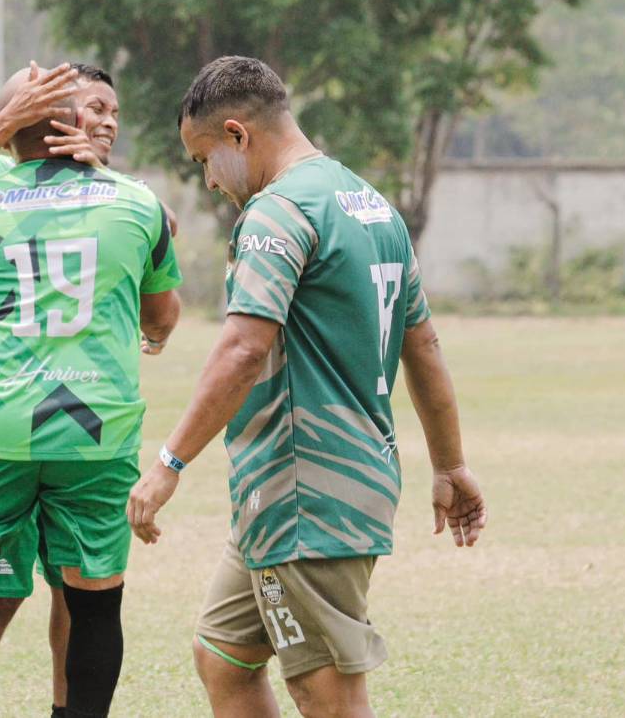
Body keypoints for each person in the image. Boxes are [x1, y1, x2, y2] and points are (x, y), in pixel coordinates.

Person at [127, 56, 488, 718]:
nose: (208, 181)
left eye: (204, 158)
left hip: (307, 495)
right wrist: (450, 462)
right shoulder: (370, 205)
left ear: (238, 134)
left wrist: (169, 462)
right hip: (312, 492)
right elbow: (424, 344)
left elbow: (241, 350)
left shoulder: (277, 212)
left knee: (326, 693)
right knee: (223, 654)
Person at [0, 66, 183, 718]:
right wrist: (145, 329)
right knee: (94, 599)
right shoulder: (136, 203)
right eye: (96, 107)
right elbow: (163, 315)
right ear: (67, 123)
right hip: (98, 427)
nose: (108, 119)